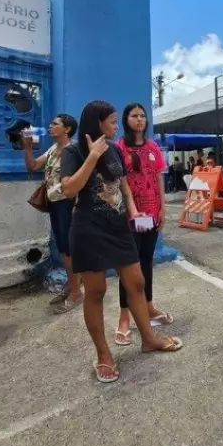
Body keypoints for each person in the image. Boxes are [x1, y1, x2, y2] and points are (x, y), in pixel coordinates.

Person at [60, 100, 182, 383]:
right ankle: (103, 354)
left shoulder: (114, 149)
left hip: (118, 227)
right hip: (89, 229)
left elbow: (123, 187)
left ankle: (148, 339)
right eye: (113, 121)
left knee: (136, 282)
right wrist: (92, 157)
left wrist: (133, 210)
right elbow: (68, 189)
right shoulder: (73, 151)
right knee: (96, 291)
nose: (117, 125)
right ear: (97, 122)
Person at [114, 103, 172, 346]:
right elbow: (118, 181)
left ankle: (148, 306)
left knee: (146, 261)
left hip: (151, 212)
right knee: (129, 265)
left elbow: (159, 177)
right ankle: (124, 317)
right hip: (129, 214)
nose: (139, 119)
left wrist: (162, 208)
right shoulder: (119, 147)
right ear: (126, 120)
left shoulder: (153, 147)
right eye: (133, 116)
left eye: (142, 116)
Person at [22, 113, 81, 313]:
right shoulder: (53, 149)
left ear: (67, 129)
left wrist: (77, 206)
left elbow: (84, 179)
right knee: (64, 247)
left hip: (69, 203)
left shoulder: (74, 150)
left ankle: (76, 292)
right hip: (56, 203)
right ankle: (72, 286)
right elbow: (32, 166)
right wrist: (28, 148)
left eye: (55, 124)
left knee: (69, 247)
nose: (50, 127)